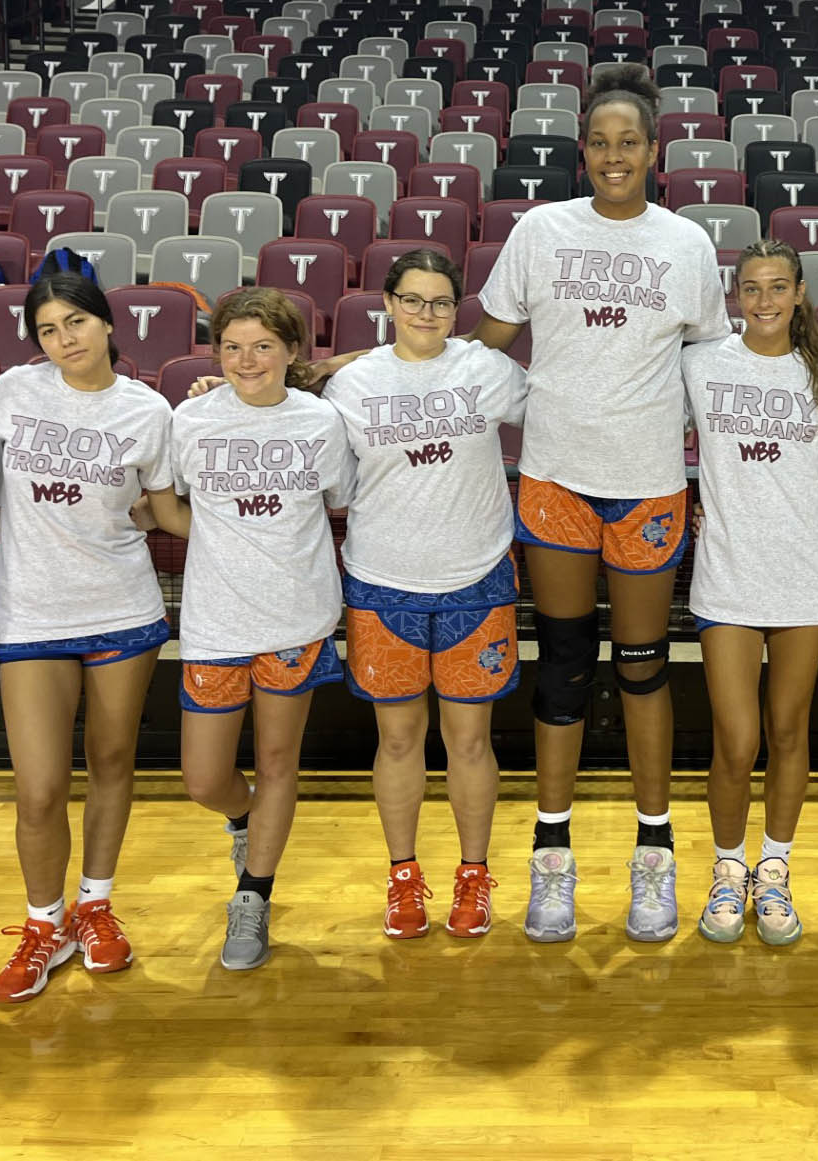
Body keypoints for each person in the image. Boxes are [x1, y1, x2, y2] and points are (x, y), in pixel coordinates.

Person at [475, 63, 733, 943]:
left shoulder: (686, 245)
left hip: (648, 480)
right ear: (581, 152)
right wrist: (368, 368)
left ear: (654, 152)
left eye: (629, 142)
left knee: (643, 667)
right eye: (599, 142)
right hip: (556, 477)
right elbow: (483, 346)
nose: (613, 155)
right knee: (563, 667)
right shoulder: (541, 231)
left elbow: (716, 365)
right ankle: (552, 858)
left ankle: (654, 855)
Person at [0, 273, 186, 1004]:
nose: (64, 338)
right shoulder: (13, 391)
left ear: (106, 323)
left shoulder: (148, 409)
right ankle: (45, 924)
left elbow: (164, 511)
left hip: (122, 608)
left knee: (110, 760)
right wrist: (36, 536)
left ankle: (94, 905)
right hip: (32, 614)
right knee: (39, 788)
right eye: (47, 329)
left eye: (75, 321)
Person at [322, 249, 527, 940]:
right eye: (412, 299)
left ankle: (473, 874)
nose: (426, 313)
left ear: (455, 308)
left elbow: (560, 409)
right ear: (388, 303)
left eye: (440, 302)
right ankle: (403, 876)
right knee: (399, 739)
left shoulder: (486, 370)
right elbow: (332, 479)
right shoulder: (352, 385)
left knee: (469, 741)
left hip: (477, 578)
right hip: (382, 580)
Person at [684, 240, 818, 946]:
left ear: (799, 292)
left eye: (777, 286)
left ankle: (775, 870)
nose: (764, 300)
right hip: (727, 572)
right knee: (736, 739)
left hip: (804, 573)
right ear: (736, 295)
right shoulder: (701, 363)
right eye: (751, 287)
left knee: (789, 731)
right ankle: (729, 870)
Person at [173, 288, 354, 971]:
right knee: (203, 778)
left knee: (279, 762)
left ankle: (253, 895)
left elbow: (338, 499)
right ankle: (245, 820)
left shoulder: (319, 421)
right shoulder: (190, 419)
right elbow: (170, 505)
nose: (247, 360)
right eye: (232, 347)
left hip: (295, 617)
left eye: (262, 346)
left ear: (290, 350)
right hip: (215, 620)